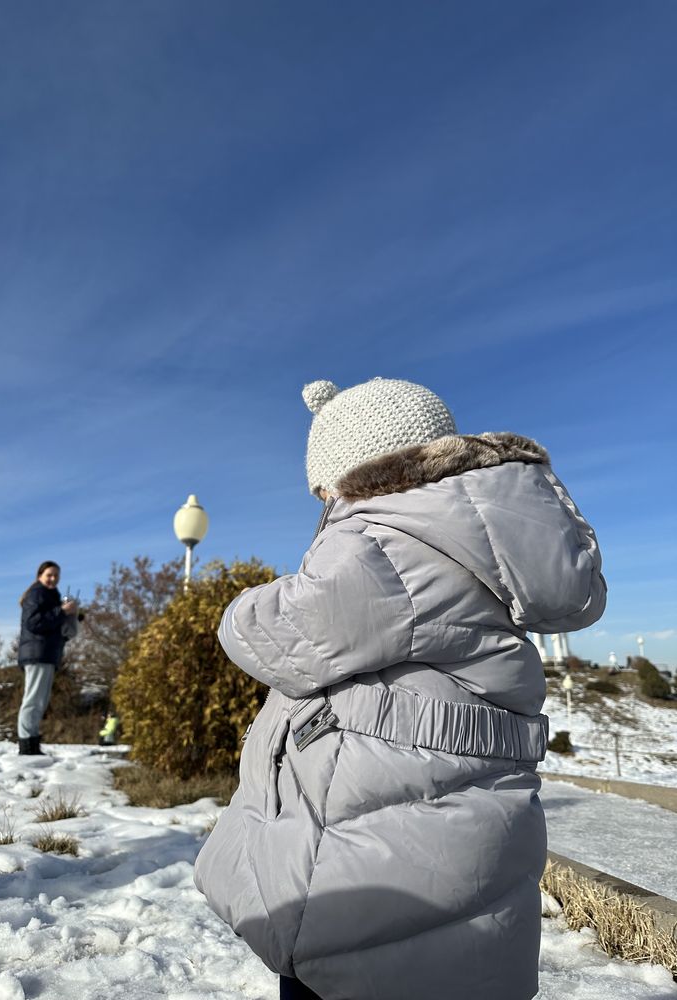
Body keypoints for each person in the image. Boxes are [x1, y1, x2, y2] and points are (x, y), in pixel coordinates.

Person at [194, 377, 607, 1000]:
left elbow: (273, 633)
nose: (323, 504)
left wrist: (234, 605)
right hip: (459, 829)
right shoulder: (471, 533)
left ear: (358, 471)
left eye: (323, 489)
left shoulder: (384, 541)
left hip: (382, 863)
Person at [17, 560, 79, 756]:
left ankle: (32, 744)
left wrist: (71, 615)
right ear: (39, 576)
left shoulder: (50, 595)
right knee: (33, 700)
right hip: (37, 653)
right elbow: (33, 623)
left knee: (40, 702)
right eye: (49, 575)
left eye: (56, 576)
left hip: (46, 653)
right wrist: (61, 612)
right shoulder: (37, 593)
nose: (53, 579)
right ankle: (27, 746)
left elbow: (50, 621)